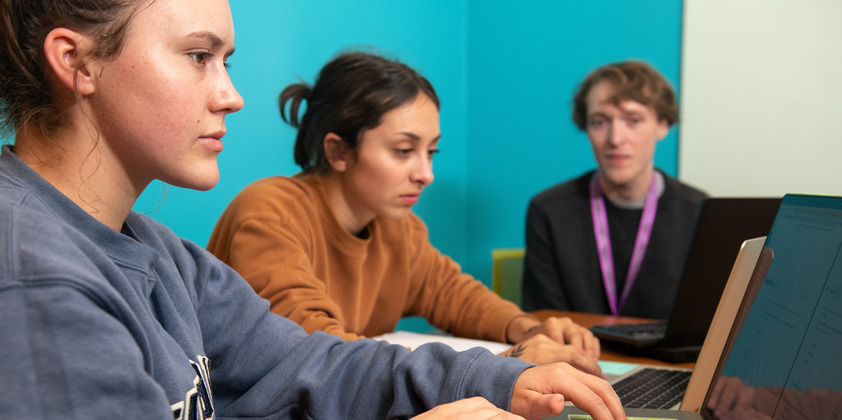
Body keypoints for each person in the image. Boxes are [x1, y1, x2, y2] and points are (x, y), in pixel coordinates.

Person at [0, 1, 633, 420]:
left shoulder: (157, 250)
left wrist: (500, 379)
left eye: (227, 62)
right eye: (199, 56)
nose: (232, 95)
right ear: (76, 61)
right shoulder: (37, 284)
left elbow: (302, 362)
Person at [207, 51, 603, 374]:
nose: (426, 174)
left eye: (431, 152)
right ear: (338, 151)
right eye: (403, 151)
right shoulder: (270, 214)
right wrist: (503, 364)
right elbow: (317, 350)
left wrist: (531, 329)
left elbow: (454, 295)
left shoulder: (399, 227)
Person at [523, 60, 707, 319]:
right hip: (578, 358)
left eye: (633, 120)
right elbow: (547, 323)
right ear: (585, 128)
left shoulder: (701, 213)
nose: (615, 138)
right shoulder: (549, 211)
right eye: (600, 122)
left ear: (663, 124)